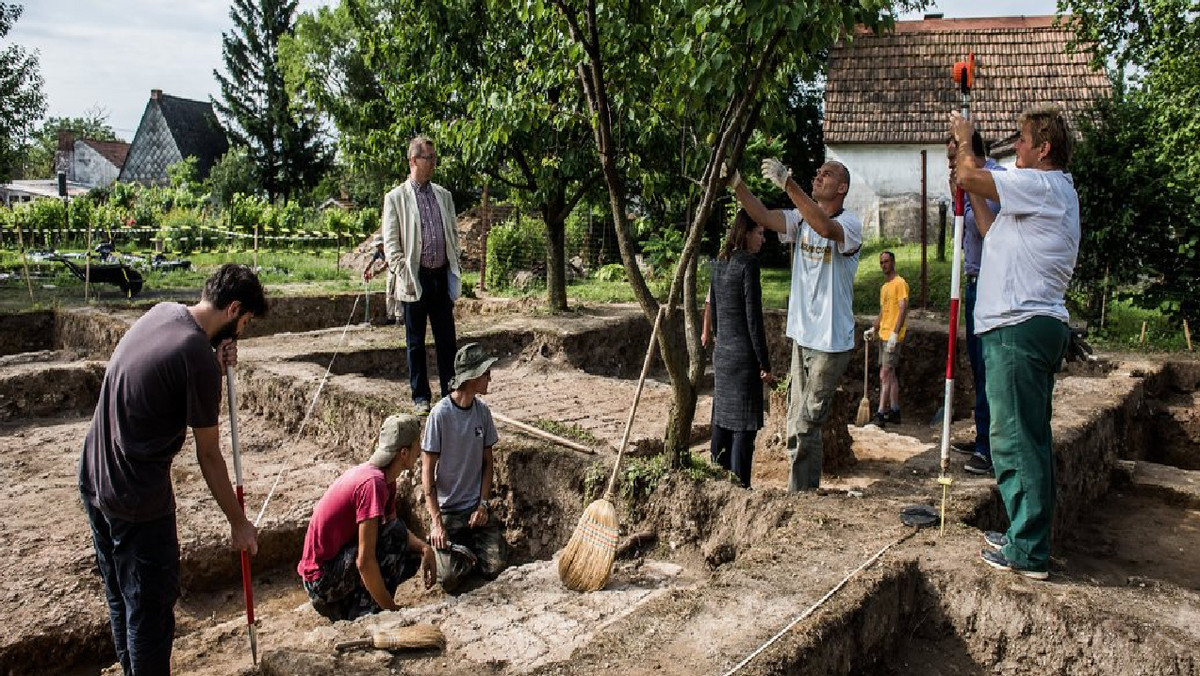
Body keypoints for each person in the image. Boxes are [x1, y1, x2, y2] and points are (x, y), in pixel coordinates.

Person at [79, 264, 268, 674]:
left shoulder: (164, 313)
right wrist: (239, 523)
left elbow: (166, 373)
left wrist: (212, 364)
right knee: (150, 611)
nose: (243, 333)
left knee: (122, 597)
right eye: (245, 322)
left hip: (95, 473)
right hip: (135, 496)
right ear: (233, 308)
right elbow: (210, 456)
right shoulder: (196, 358)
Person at [950, 105, 1079, 580]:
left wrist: (966, 140)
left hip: (1018, 327)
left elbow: (970, 170)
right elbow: (989, 229)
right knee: (1028, 437)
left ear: (1044, 149)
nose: (1016, 147)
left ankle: (1028, 552)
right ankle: (1027, 535)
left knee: (1013, 440)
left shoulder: (1042, 185)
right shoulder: (1043, 196)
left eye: (1023, 140)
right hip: (1023, 325)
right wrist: (971, 188)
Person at [726, 158, 863, 492]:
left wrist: (789, 183)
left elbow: (827, 229)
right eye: (816, 172)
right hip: (803, 337)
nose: (818, 176)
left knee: (806, 423)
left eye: (826, 174)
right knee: (795, 424)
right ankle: (804, 492)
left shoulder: (850, 223)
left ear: (842, 188)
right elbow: (763, 216)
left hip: (831, 343)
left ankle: (800, 495)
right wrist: (736, 184)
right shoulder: (801, 219)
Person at [298, 414, 437, 621]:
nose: (420, 451)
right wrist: (393, 611)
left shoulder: (385, 480)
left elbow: (390, 526)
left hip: (335, 563)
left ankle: (354, 603)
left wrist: (425, 549)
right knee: (393, 538)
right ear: (404, 453)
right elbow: (364, 561)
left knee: (409, 553)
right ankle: (364, 611)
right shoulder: (373, 485)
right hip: (321, 579)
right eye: (418, 445)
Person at [383, 135, 463, 414]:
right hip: (414, 279)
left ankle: (449, 391)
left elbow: (452, 232)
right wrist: (401, 269)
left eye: (435, 158)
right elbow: (392, 242)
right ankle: (420, 397)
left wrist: (456, 261)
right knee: (415, 341)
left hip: (440, 276)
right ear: (413, 160)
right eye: (429, 158)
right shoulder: (396, 198)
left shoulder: (443, 195)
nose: (434, 164)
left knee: (446, 339)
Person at [422, 342, 507, 591]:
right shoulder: (440, 415)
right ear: (471, 378)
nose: (489, 377)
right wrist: (437, 522)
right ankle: (451, 548)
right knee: (448, 580)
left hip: (474, 511)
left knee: (495, 567)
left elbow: (487, 463)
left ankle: (466, 547)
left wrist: (482, 504)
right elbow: (427, 472)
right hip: (448, 512)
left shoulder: (482, 413)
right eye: (485, 373)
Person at [701, 210, 774, 488]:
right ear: (746, 233)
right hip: (743, 358)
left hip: (723, 355)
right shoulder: (748, 265)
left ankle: (717, 476)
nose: (763, 239)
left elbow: (715, 313)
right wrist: (764, 363)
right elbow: (753, 320)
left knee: (722, 416)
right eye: (760, 233)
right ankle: (739, 484)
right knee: (744, 423)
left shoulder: (720, 262)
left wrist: (721, 342)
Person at [947, 131, 1005, 475]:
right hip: (972, 283)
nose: (951, 167)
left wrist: (967, 186)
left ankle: (990, 447)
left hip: (990, 283)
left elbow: (988, 230)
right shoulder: (969, 185)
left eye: (954, 159)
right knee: (977, 364)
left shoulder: (995, 180)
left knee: (988, 366)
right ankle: (983, 434)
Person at [864, 251, 908, 427]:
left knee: (885, 373)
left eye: (887, 261)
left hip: (892, 337)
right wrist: (873, 328)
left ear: (893, 262)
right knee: (891, 375)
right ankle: (895, 410)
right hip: (883, 334)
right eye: (881, 262)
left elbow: (903, 308)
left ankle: (881, 412)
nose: (884, 265)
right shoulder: (884, 287)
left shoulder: (900, 283)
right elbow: (884, 311)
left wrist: (895, 334)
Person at [363, 234, 397, 326]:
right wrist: (366, 270)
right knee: (389, 293)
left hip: (396, 271)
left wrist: (374, 273)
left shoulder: (388, 250)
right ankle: (391, 316)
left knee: (396, 294)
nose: (378, 247)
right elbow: (371, 261)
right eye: (377, 246)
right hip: (390, 272)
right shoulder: (378, 252)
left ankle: (399, 317)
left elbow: (385, 265)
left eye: (379, 245)